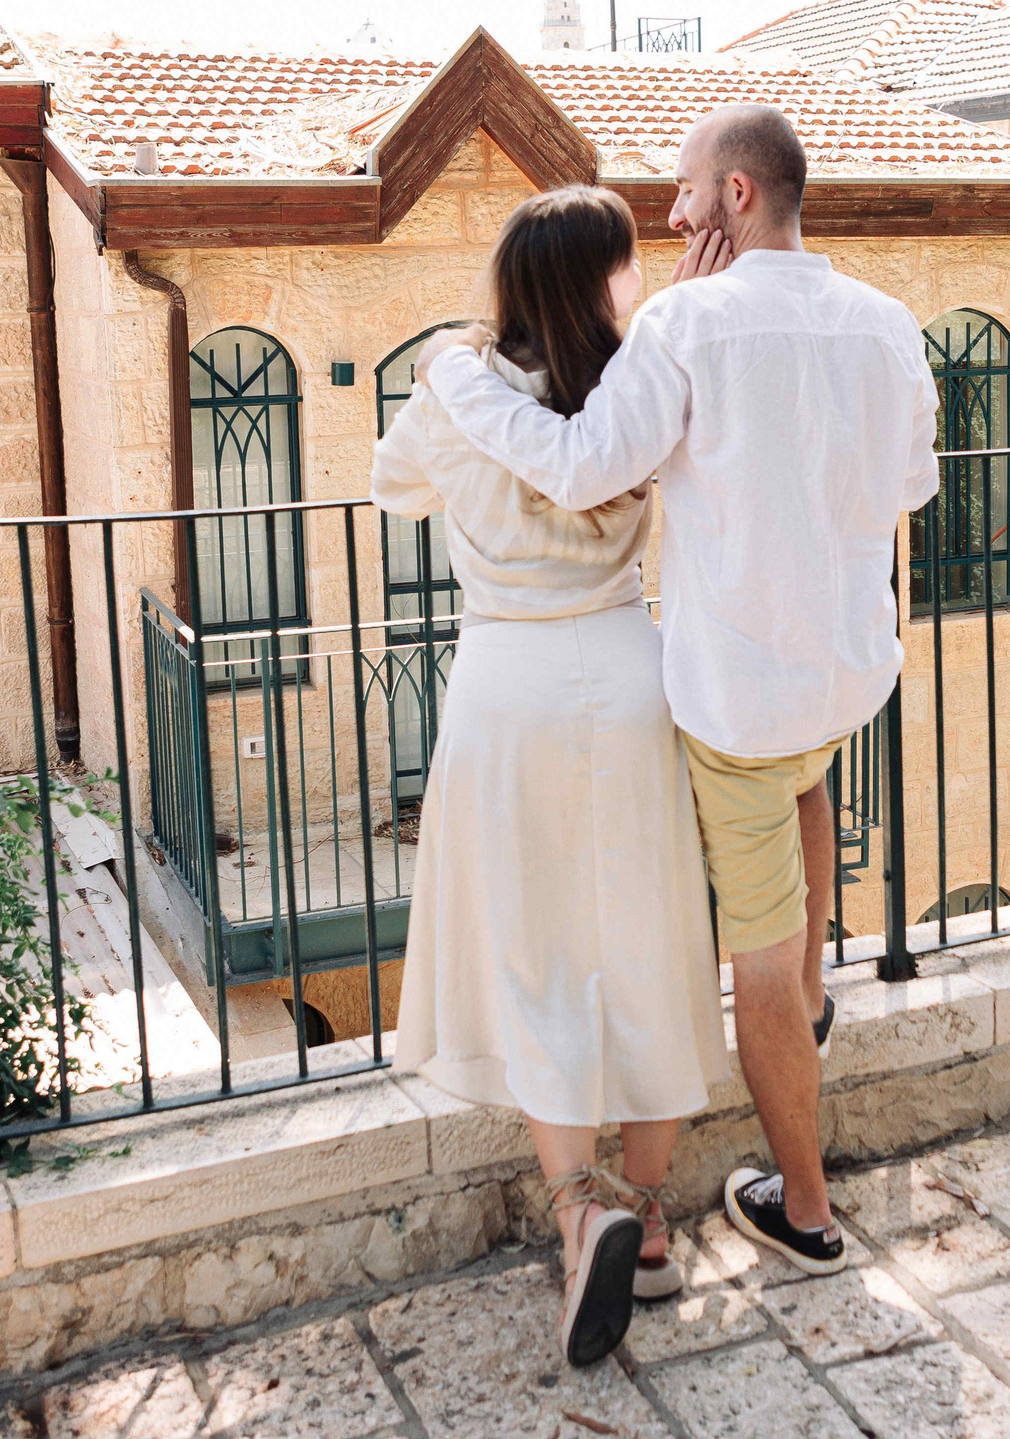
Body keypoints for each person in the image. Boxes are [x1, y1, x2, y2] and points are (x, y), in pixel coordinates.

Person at [414, 104, 939, 1278]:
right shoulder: (886, 319)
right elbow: (912, 482)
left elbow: (579, 467)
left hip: (738, 702)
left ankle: (805, 1210)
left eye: (687, 187)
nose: (671, 210)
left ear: (737, 195)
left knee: (756, 960)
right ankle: (811, 993)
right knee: (804, 802)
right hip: (843, 677)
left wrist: (458, 378)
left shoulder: (681, 323)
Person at [371, 184, 729, 1369]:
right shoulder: (637, 388)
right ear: (599, 278)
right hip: (627, 672)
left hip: (506, 683)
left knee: (533, 948)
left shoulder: (458, 386)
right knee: (647, 934)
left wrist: (454, 385)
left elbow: (393, 487)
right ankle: (650, 1215)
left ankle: (580, 1211)